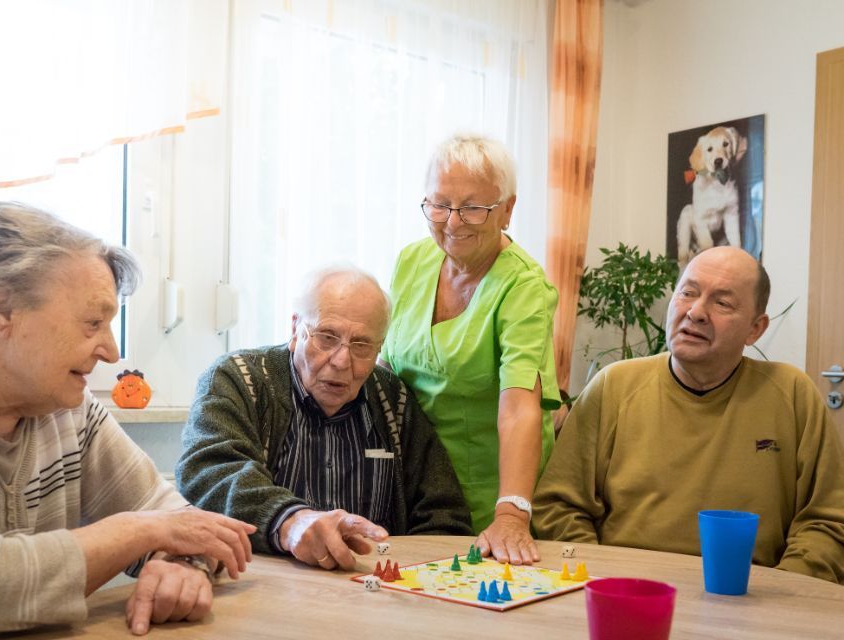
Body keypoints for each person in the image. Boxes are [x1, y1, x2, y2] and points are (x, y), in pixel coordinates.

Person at [0, 202, 257, 639]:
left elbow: (179, 521)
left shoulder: (65, 407)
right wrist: (142, 531)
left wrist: (182, 565)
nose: (112, 352)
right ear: (2, 310)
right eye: (93, 322)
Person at [533, 246, 844, 583]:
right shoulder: (614, 385)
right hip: (625, 588)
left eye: (722, 303)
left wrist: (781, 592)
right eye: (688, 293)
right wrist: (603, 579)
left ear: (755, 328)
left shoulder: (792, 394)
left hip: (750, 596)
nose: (696, 312)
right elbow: (558, 505)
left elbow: (826, 522)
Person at [176, 266, 472, 570]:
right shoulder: (237, 379)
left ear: (379, 349)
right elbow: (210, 472)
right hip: (262, 585)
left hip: (372, 589)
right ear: (295, 329)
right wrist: (290, 521)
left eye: (361, 345)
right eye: (327, 337)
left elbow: (444, 516)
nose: (342, 361)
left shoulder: (393, 400)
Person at [379, 133, 560, 565]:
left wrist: (512, 514)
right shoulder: (412, 261)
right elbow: (387, 367)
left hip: (488, 494)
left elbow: (518, 405)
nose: (453, 223)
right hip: (414, 485)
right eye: (439, 205)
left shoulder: (523, 287)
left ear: (507, 210)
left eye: (473, 208)